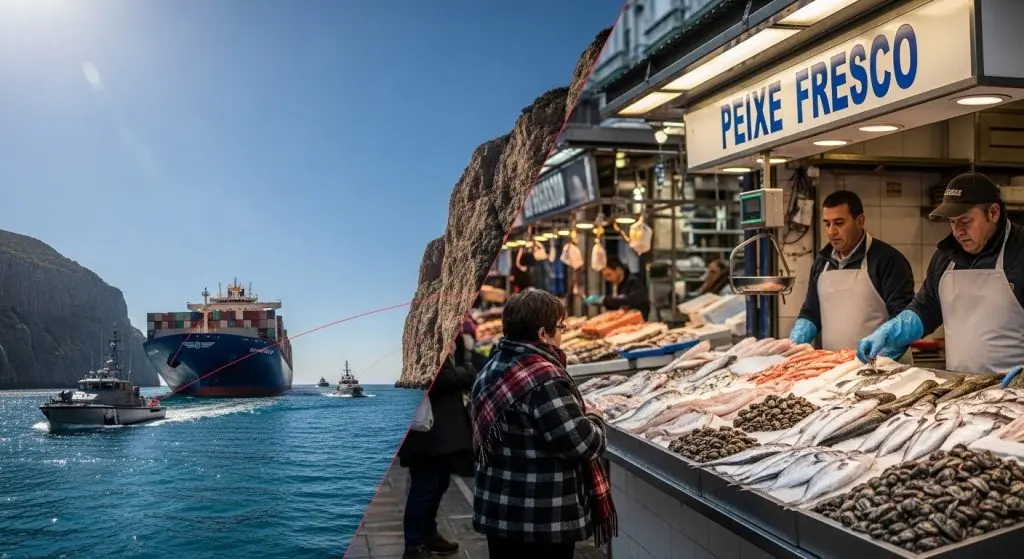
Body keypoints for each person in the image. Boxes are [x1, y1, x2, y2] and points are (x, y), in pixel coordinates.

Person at [470, 290, 616, 559]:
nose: (562, 335)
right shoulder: (543, 378)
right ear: (542, 334)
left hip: (499, 512)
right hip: (541, 517)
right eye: (560, 328)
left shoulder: (492, 367)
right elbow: (581, 444)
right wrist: (595, 418)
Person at [858, 172, 1024, 379]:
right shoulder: (945, 258)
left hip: (1016, 393)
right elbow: (926, 308)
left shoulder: (1020, 252)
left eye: (965, 221)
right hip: (961, 388)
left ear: (993, 212)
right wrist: (890, 332)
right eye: (952, 222)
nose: (957, 232)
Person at [788, 190, 916, 359]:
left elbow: (903, 317)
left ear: (860, 221)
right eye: (827, 224)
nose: (831, 232)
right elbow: (811, 313)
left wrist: (881, 361)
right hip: (834, 368)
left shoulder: (887, 260)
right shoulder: (822, 262)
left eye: (839, 223)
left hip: (882, 367)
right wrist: (792, 347)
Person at [397, 324, 477, 559]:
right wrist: (468, 372)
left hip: (441, 429)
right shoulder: (424, 334)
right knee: (424, 486)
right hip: (427, 432)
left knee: (439, 483)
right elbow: (438, 377)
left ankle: (428, 535)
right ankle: (413, 546)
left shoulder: (443, 330)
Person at [584, 256, 650, 318]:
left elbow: (630, 300)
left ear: (618, 270)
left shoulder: (635, 282)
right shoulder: (613, 285)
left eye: (609, 275)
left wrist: (604, 300)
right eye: (606, 276)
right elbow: (614, 305)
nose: (608, 279)